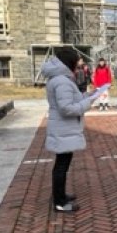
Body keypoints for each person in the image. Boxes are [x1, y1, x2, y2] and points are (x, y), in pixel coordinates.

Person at [40, 48, 97, 212]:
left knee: (62, 164)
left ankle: (61, 195)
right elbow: (67, 108)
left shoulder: (61, 79)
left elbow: (72, 99)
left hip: (63, 129)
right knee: (61, 166)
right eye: (77, 60)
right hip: (63, 129)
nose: (79, 64)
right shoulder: (62, 81)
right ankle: (59, 202)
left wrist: (89, 96)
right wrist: (87, 104)